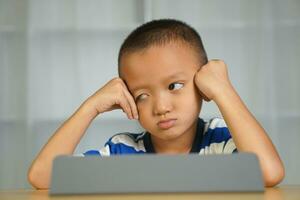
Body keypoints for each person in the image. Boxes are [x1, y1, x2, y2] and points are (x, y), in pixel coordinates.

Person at [28, 19, 285, 189]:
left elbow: (269, 173)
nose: (161, 107)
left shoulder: (218, 140)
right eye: (142, 95)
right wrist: (90, 107)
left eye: (174, 86)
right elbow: (41, 177)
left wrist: (223, 91)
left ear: (202, 85)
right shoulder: (122, 150)